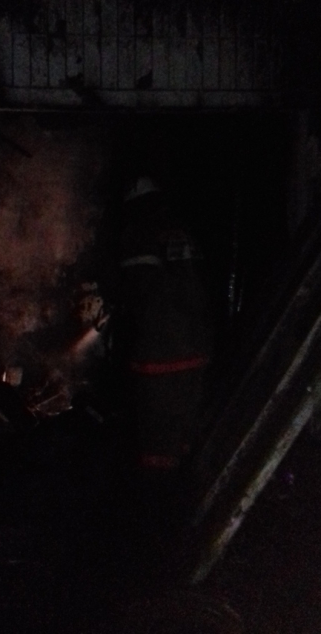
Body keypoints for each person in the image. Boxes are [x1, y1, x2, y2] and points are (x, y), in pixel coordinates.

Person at [120, 177, 213, 474]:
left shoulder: (139, 234)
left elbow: (140, 294)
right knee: (186, 432)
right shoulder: (179, 232)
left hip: (160, 354)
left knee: (157, 440)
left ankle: (157, 490)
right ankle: (191, 483)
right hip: (195, 347)